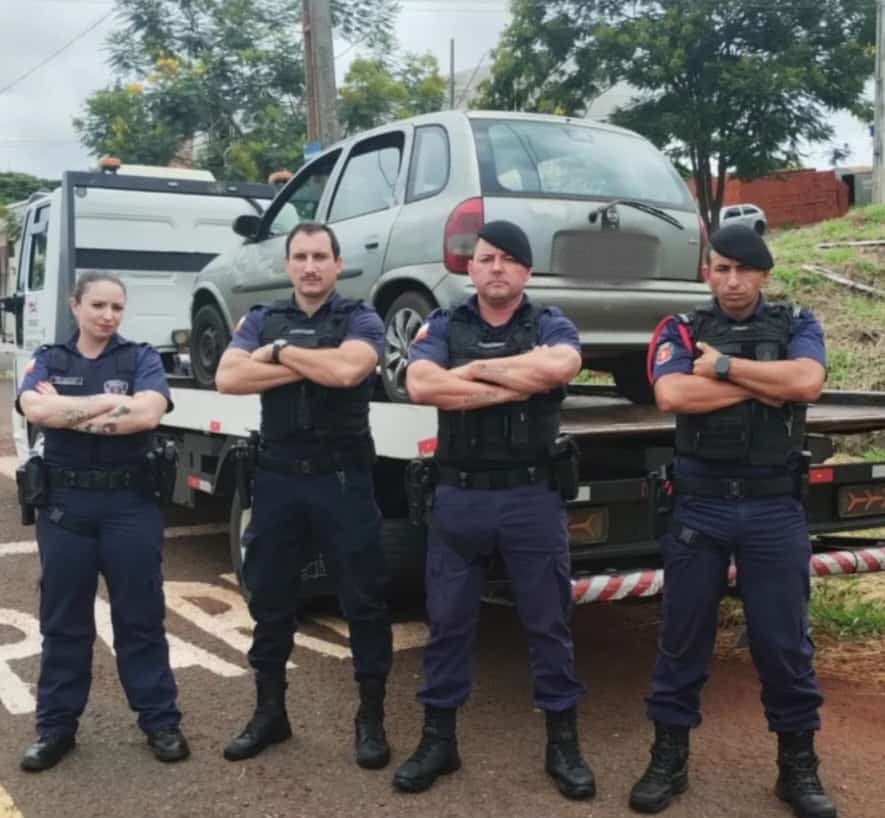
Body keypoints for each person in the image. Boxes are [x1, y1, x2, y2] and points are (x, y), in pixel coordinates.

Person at [629, 223, 835, 818]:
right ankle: (668, 759)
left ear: (764, 274)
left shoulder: (798, 323)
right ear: (707, 273)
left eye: (744, 270)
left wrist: (721, 370)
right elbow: (672, 397)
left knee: (783, 644)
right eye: (721, 268)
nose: (733, 280)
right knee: (682, 639)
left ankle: (798, 769)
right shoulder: (680, 329)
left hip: (774, 507)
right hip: (701, 505)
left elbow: (808, 382)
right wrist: (765, 385)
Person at [393, 220, 595, 800]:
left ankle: (563, 744)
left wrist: (470, 376)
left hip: (531, 497)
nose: (496, 267)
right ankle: (438, 741)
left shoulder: (549, 322)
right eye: (486, 257)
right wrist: (512, 380)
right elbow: (422, 384)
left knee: (548, 624)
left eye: (509, 258)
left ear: (526, 271)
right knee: (449, 623)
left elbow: (559, 368)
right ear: (471, 267)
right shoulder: (445, 323)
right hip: (459, 498)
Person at [216, 222, 393, 770]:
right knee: (269, 598)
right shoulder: (264, 317)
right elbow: (227, 377)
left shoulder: (360, 317)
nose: (310, 266)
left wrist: (276, 356)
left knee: (362, 601)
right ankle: (270, 713)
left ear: (338, 265)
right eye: (300, 256)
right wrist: (304, 359)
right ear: (288, 264)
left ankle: (371, 719)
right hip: (277, 478)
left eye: (321, 256)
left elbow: (347, 373)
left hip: (343, 479)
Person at [16, 271, 189, 771]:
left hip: (129, 504)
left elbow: (147, 415)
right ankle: (55, 730)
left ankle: (161, 722)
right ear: (75, 305)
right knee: (64, 623)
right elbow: (33, 406)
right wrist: (110, 404)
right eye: (98, 306)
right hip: (65, 506)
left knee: (140, 618)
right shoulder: (51, 357)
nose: (108, 316)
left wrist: (68, 407)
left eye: (117, 307)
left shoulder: (141, 357)